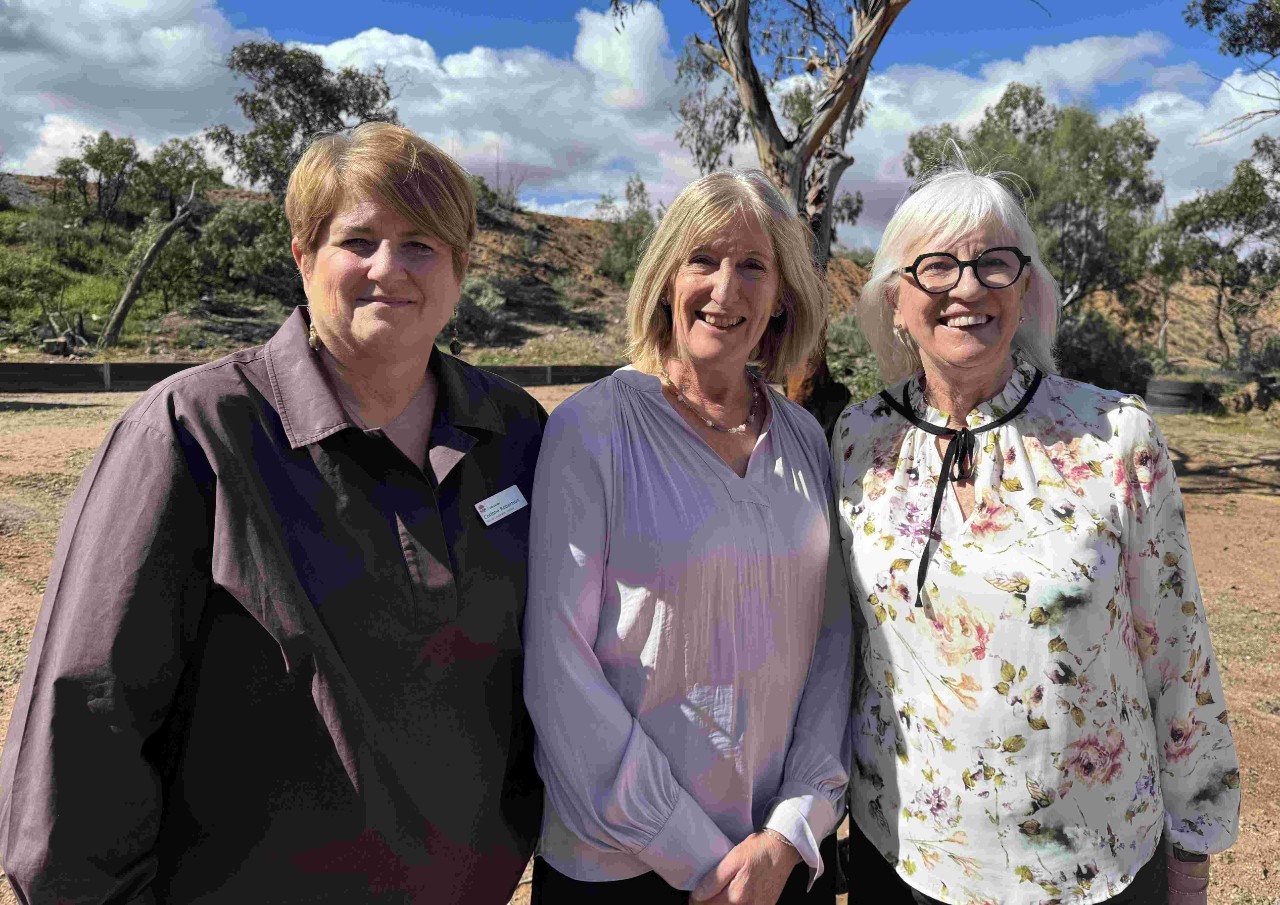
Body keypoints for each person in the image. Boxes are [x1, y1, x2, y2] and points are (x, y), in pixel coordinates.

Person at [0, 122, 545, 903]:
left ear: (460, 268)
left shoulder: (516, 434)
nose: (388, 267)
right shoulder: (196, 430)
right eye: (357, 239)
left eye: (421, 243)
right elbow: (85, 719)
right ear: (303, 256)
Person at [831, 159, 1240, 904]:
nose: (966, 285)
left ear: (1025, 289)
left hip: (1094, 866)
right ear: (895, 299)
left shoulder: (1115, 435)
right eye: (935, 265)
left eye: (994, 261)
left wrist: (1194, 849)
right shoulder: (856, 441)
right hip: (904, 860)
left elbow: (1178, 652)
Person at [522, 168, 852, 905]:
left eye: (753, 266)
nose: (725, 290)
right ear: (668, 276)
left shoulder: (804, 441)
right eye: (703, 259)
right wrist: (696, 854)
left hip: (774, 862)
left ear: (781, 299)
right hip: (622, 865)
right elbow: (558, 667)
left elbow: (833, 646)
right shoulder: (593, 430)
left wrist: (797, 820)